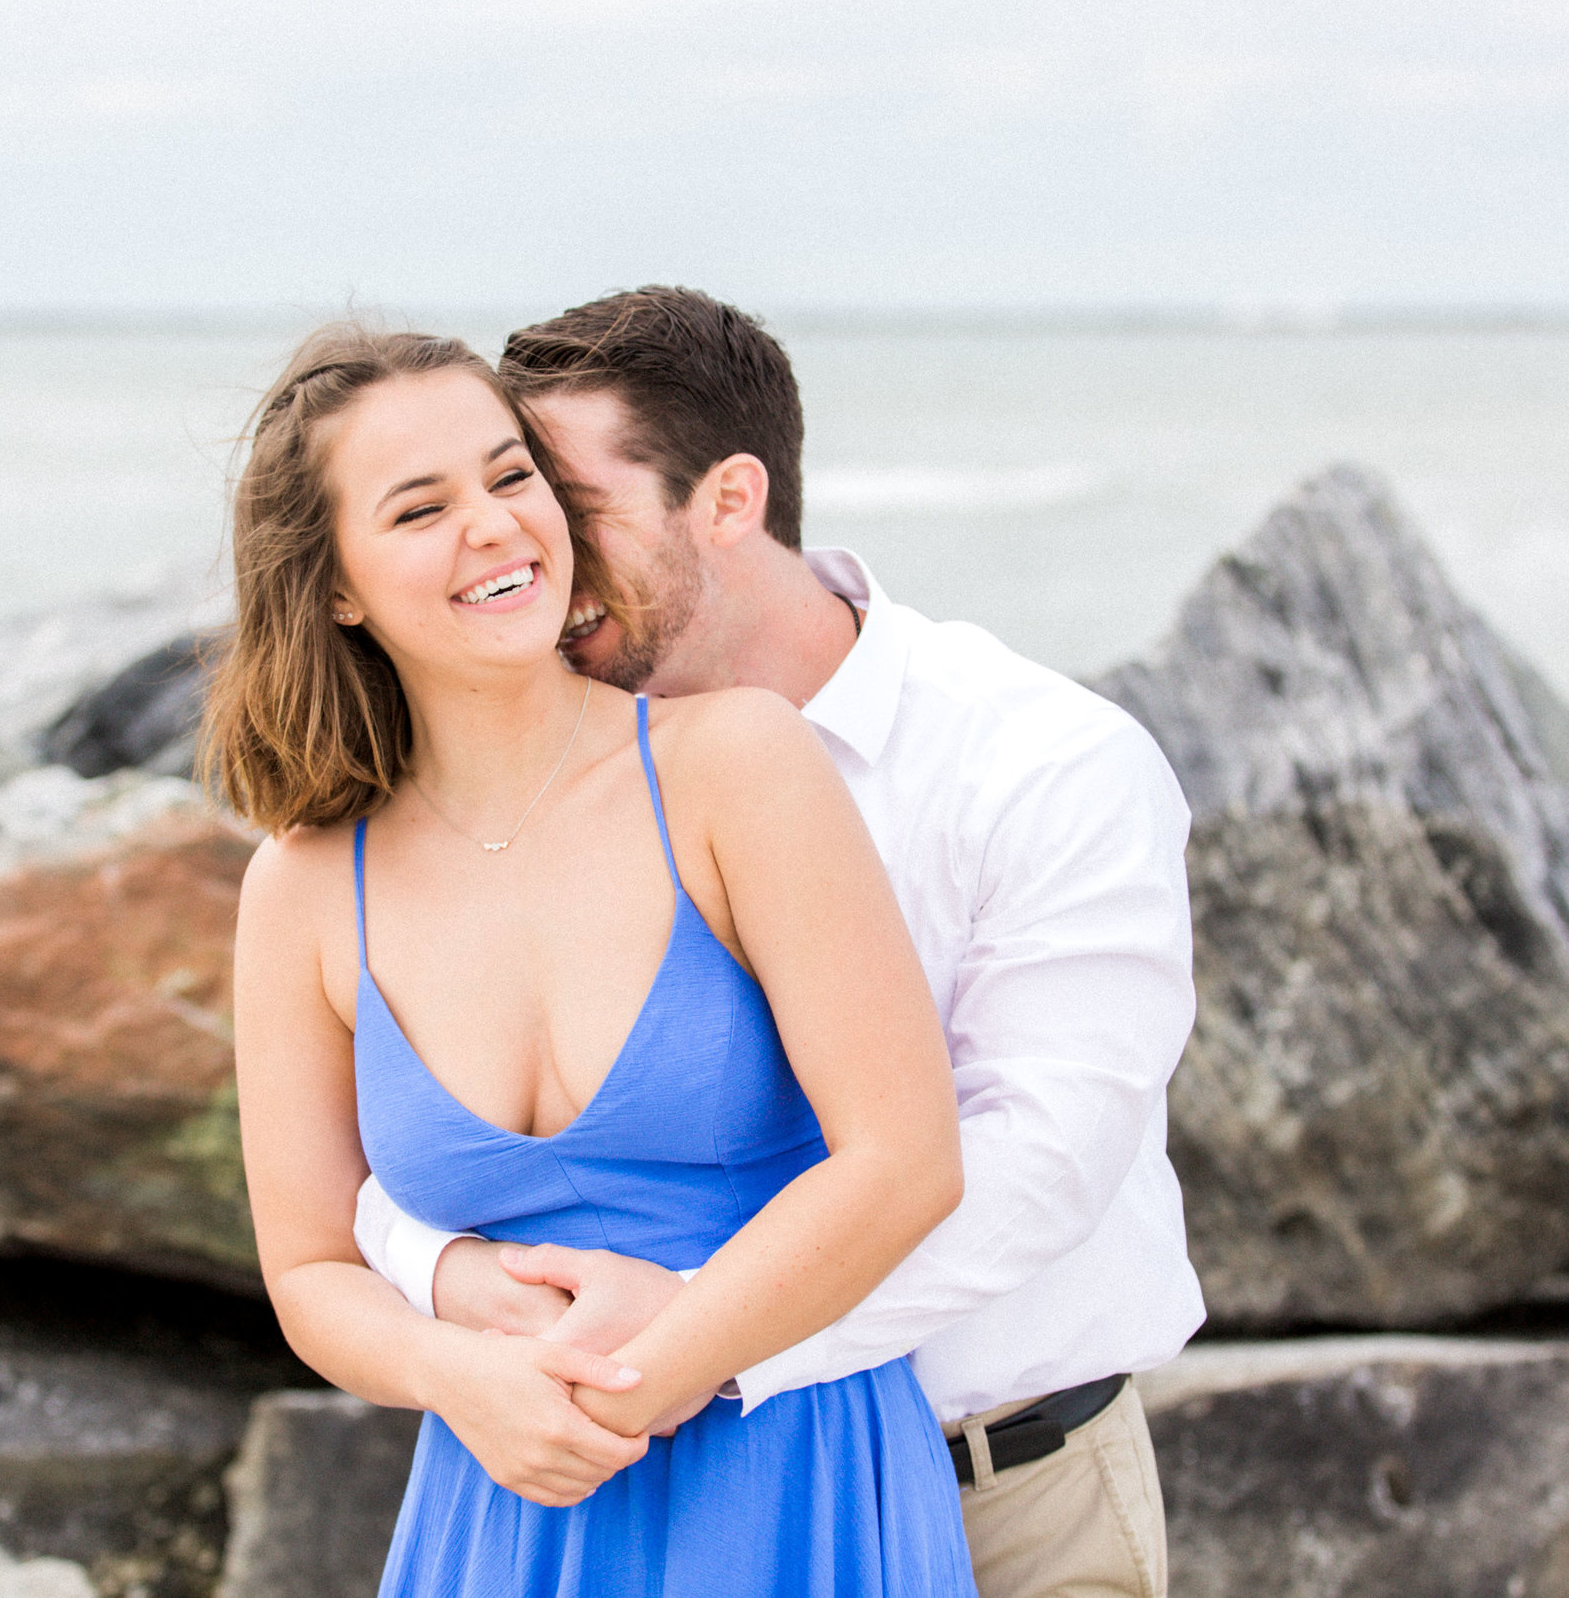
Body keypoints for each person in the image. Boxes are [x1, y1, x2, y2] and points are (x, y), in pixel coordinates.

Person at [354, 287, 1203, 1598]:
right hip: (667, 1496)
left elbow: (1038, 1158)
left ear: (731, 499)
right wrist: (454, 1269)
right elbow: (422, 1130)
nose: (539, 554)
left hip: (1003, 1490)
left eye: (577, 510)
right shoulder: (547, 777)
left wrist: (696, 1338)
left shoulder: (1046, 763)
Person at [212, 323, 984, 1596]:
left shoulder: (735, 764)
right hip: (502, 1496)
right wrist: (457, 1374)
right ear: (336, 582)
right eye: (420, 507)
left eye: (511, 477)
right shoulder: (299, 887)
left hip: (785, 1479)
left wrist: (648, 1374)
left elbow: (905, 1159)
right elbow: (306, 1268)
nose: (494, 525)